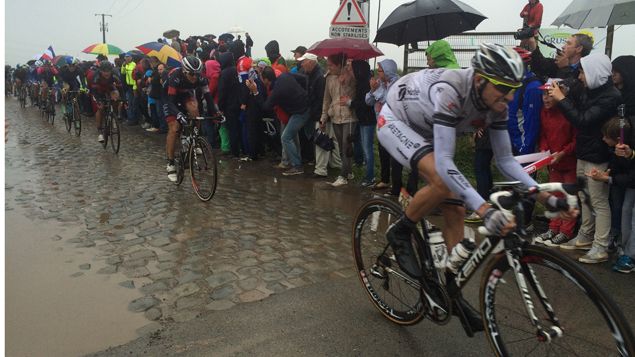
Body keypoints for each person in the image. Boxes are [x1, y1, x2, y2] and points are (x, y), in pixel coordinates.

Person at [378, 43, 577, 330]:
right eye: (503, 88)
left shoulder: (496, 104)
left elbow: (506, 161)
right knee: (443, 182)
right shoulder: (451, 89)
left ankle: (451, 293)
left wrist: (545, 195)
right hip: (397, 120)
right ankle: (400, 230)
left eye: (514, 88)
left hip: (429, 127)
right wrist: (484, 210)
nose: (510, 97)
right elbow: (446, 161)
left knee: (457, 210)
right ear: (481, 80)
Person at [548, 52, 622, 263]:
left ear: (594, 73)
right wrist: (566, 93)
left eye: (582, 72)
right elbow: (577, 101)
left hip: (598, 154)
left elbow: (582, 120)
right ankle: (585, 237)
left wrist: (562, 100)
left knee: (598, 201)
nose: (580, 77)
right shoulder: (591, 89)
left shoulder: (611, 96)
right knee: (584, 196)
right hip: (584, 150)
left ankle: (600, 247)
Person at [586, 118, 635, 273]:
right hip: (630, 185)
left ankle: (630, 255)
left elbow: (632, 176)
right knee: (626, 212)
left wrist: (608, 179)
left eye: (606, 137)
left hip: (631, 183)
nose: (603, 139)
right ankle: (626, 250)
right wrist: (607, 174)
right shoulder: (619, 148)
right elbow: (619, 165)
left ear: (619, 139)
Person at [534, 78, 577, 246]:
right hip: (554, 162)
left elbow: (576, 139)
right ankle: (553, 227)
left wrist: (563, 152)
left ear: (561, 93)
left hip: (570, 162)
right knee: (554, 195)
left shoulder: (569, 112)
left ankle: (566, 231)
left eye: (549, 94)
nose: (545, 98)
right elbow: (543, 134)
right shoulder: (544, 112)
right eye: (544, 94)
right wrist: (545, 151)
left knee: (568, 197)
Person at [245, 66, 310, 176]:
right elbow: (303, 79)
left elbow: (265, 107)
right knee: (292, 136)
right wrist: (304, 93)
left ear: (266, 80)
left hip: (301, 112)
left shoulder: (277, 91)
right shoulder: (285, 75)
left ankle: (297, 166)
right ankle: (293, 162)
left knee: (285, 137)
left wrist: (255, 92)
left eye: (261, 77)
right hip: (303, 107)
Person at [162, 56, 216, 182]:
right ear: (185, 71)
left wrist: (216, 113)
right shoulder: (175, 77)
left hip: (185, 94)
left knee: (195, 111)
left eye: (197, 73)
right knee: (174, 127)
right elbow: (171, 102)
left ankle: (194, 139)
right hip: (169, 98)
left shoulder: (201, 78)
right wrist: (179, 115)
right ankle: (170, 163)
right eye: (192, 74)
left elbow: (208, 98)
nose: (195, 77)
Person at [319, 54, 357, 187]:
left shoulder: (351, 75)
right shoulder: (329, 78)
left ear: (339, 65)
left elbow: (356, 91)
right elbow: (326, 98)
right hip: (335, 116)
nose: (328, 67)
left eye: (331, 65)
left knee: (347, 145)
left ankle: (343, 176)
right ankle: (349, 171)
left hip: (349, 116)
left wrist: (346, 79)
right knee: (341, 147)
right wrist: (324, 116)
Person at [366, 59, 401, 192]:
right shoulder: (380, 84)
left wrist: (376, 92)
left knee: (395, 156)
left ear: (387, 71)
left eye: (379, 70)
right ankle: (385, 180)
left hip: (395, 125)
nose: (377, 73)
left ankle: (397, 186)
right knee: (383, 153)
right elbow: (368, 101)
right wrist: (372, 90)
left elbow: (388, 100)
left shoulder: (396, 84)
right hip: (381, 124)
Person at [351, 60, 376, 187]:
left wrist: (351, 103)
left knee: (368, 149)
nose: (353, 72)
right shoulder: (361, 82)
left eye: (354, 69)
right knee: (366, 148)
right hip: (363, 119)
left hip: (367, 120)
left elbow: (365, 103)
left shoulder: (366, 84)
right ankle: (368, 175)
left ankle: (370, 177)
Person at [87, 61, 121, 143]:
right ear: (100, 70)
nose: (106, 73)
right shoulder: (95, 76)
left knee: (116, 98)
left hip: (109, 87)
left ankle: (113, 116)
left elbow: (120, 87)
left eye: (108, 71)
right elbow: (94, 92)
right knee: (100, 108)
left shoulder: (114, 73)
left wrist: (122, 99)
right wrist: (99, 101)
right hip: (98, 90)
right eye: (104, 71)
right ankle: (99, 131)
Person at [120, 53, 138, 125]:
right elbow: (122, 72)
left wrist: (135, 87)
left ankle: (133, 119)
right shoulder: (125, 64)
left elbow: (135, 77)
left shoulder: (134, 65)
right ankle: (131, 118)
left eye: (128, 57)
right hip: (128, 86)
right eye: (126, 57)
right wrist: (123, 66)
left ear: (131, 58)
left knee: (133, 103)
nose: (127, 58)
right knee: (129, 103)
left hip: (133, 86)